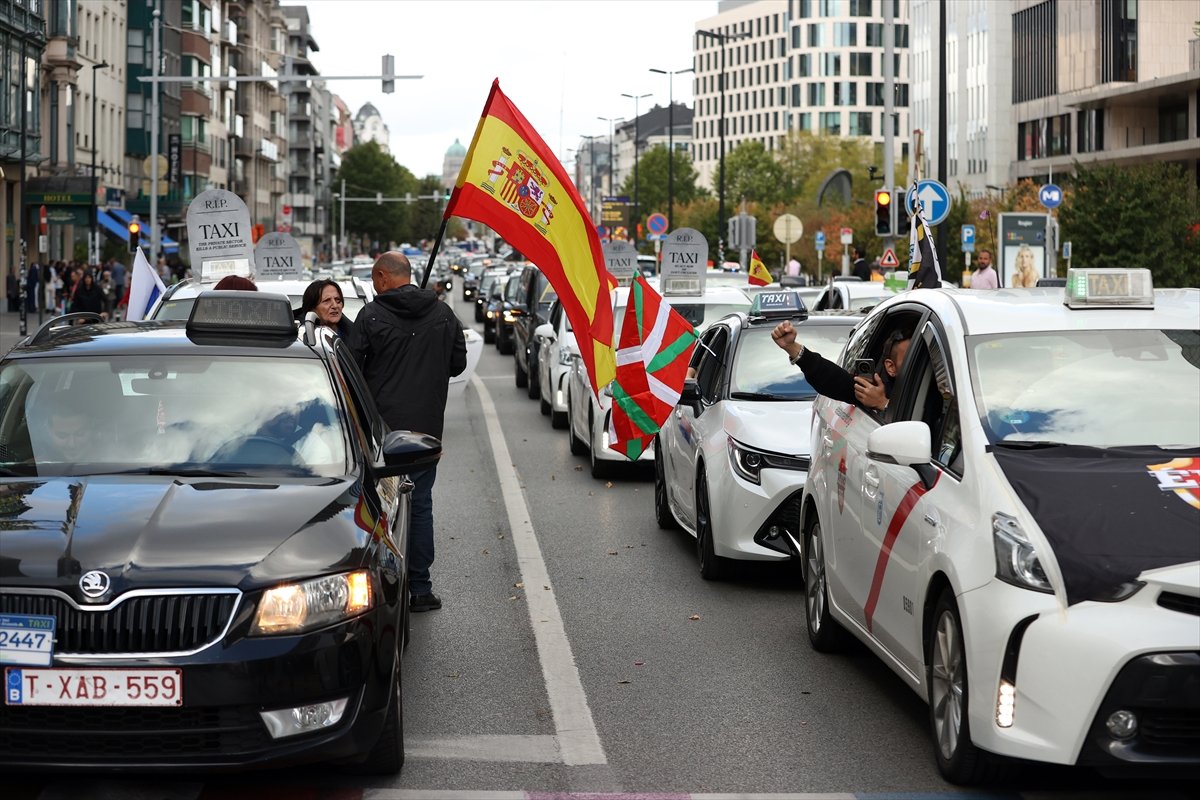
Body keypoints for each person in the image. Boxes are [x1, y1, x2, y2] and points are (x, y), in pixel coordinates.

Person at [347, 251, 467, 613]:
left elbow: (351, 369)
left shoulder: (370, 316)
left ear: (384, 276)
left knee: (376, 509)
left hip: (380, 435)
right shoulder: (443, 314)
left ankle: (383, 588)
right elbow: (457, 363)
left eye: (373, 278)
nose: (373, 285)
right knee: (420, 504)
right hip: (426, 433)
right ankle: (420, 587)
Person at [771, 320, 911, 413]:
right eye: (910, 356)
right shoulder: (877, 392)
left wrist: (884, 404)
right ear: (890, 367)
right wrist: (792, 347)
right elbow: (834, 380)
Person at [36, 394, 96, 463]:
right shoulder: (36, 465)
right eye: (62, 436)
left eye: (80, 434)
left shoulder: (109, 455)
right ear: (49, 432)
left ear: (92, 426)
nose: (72, 445)